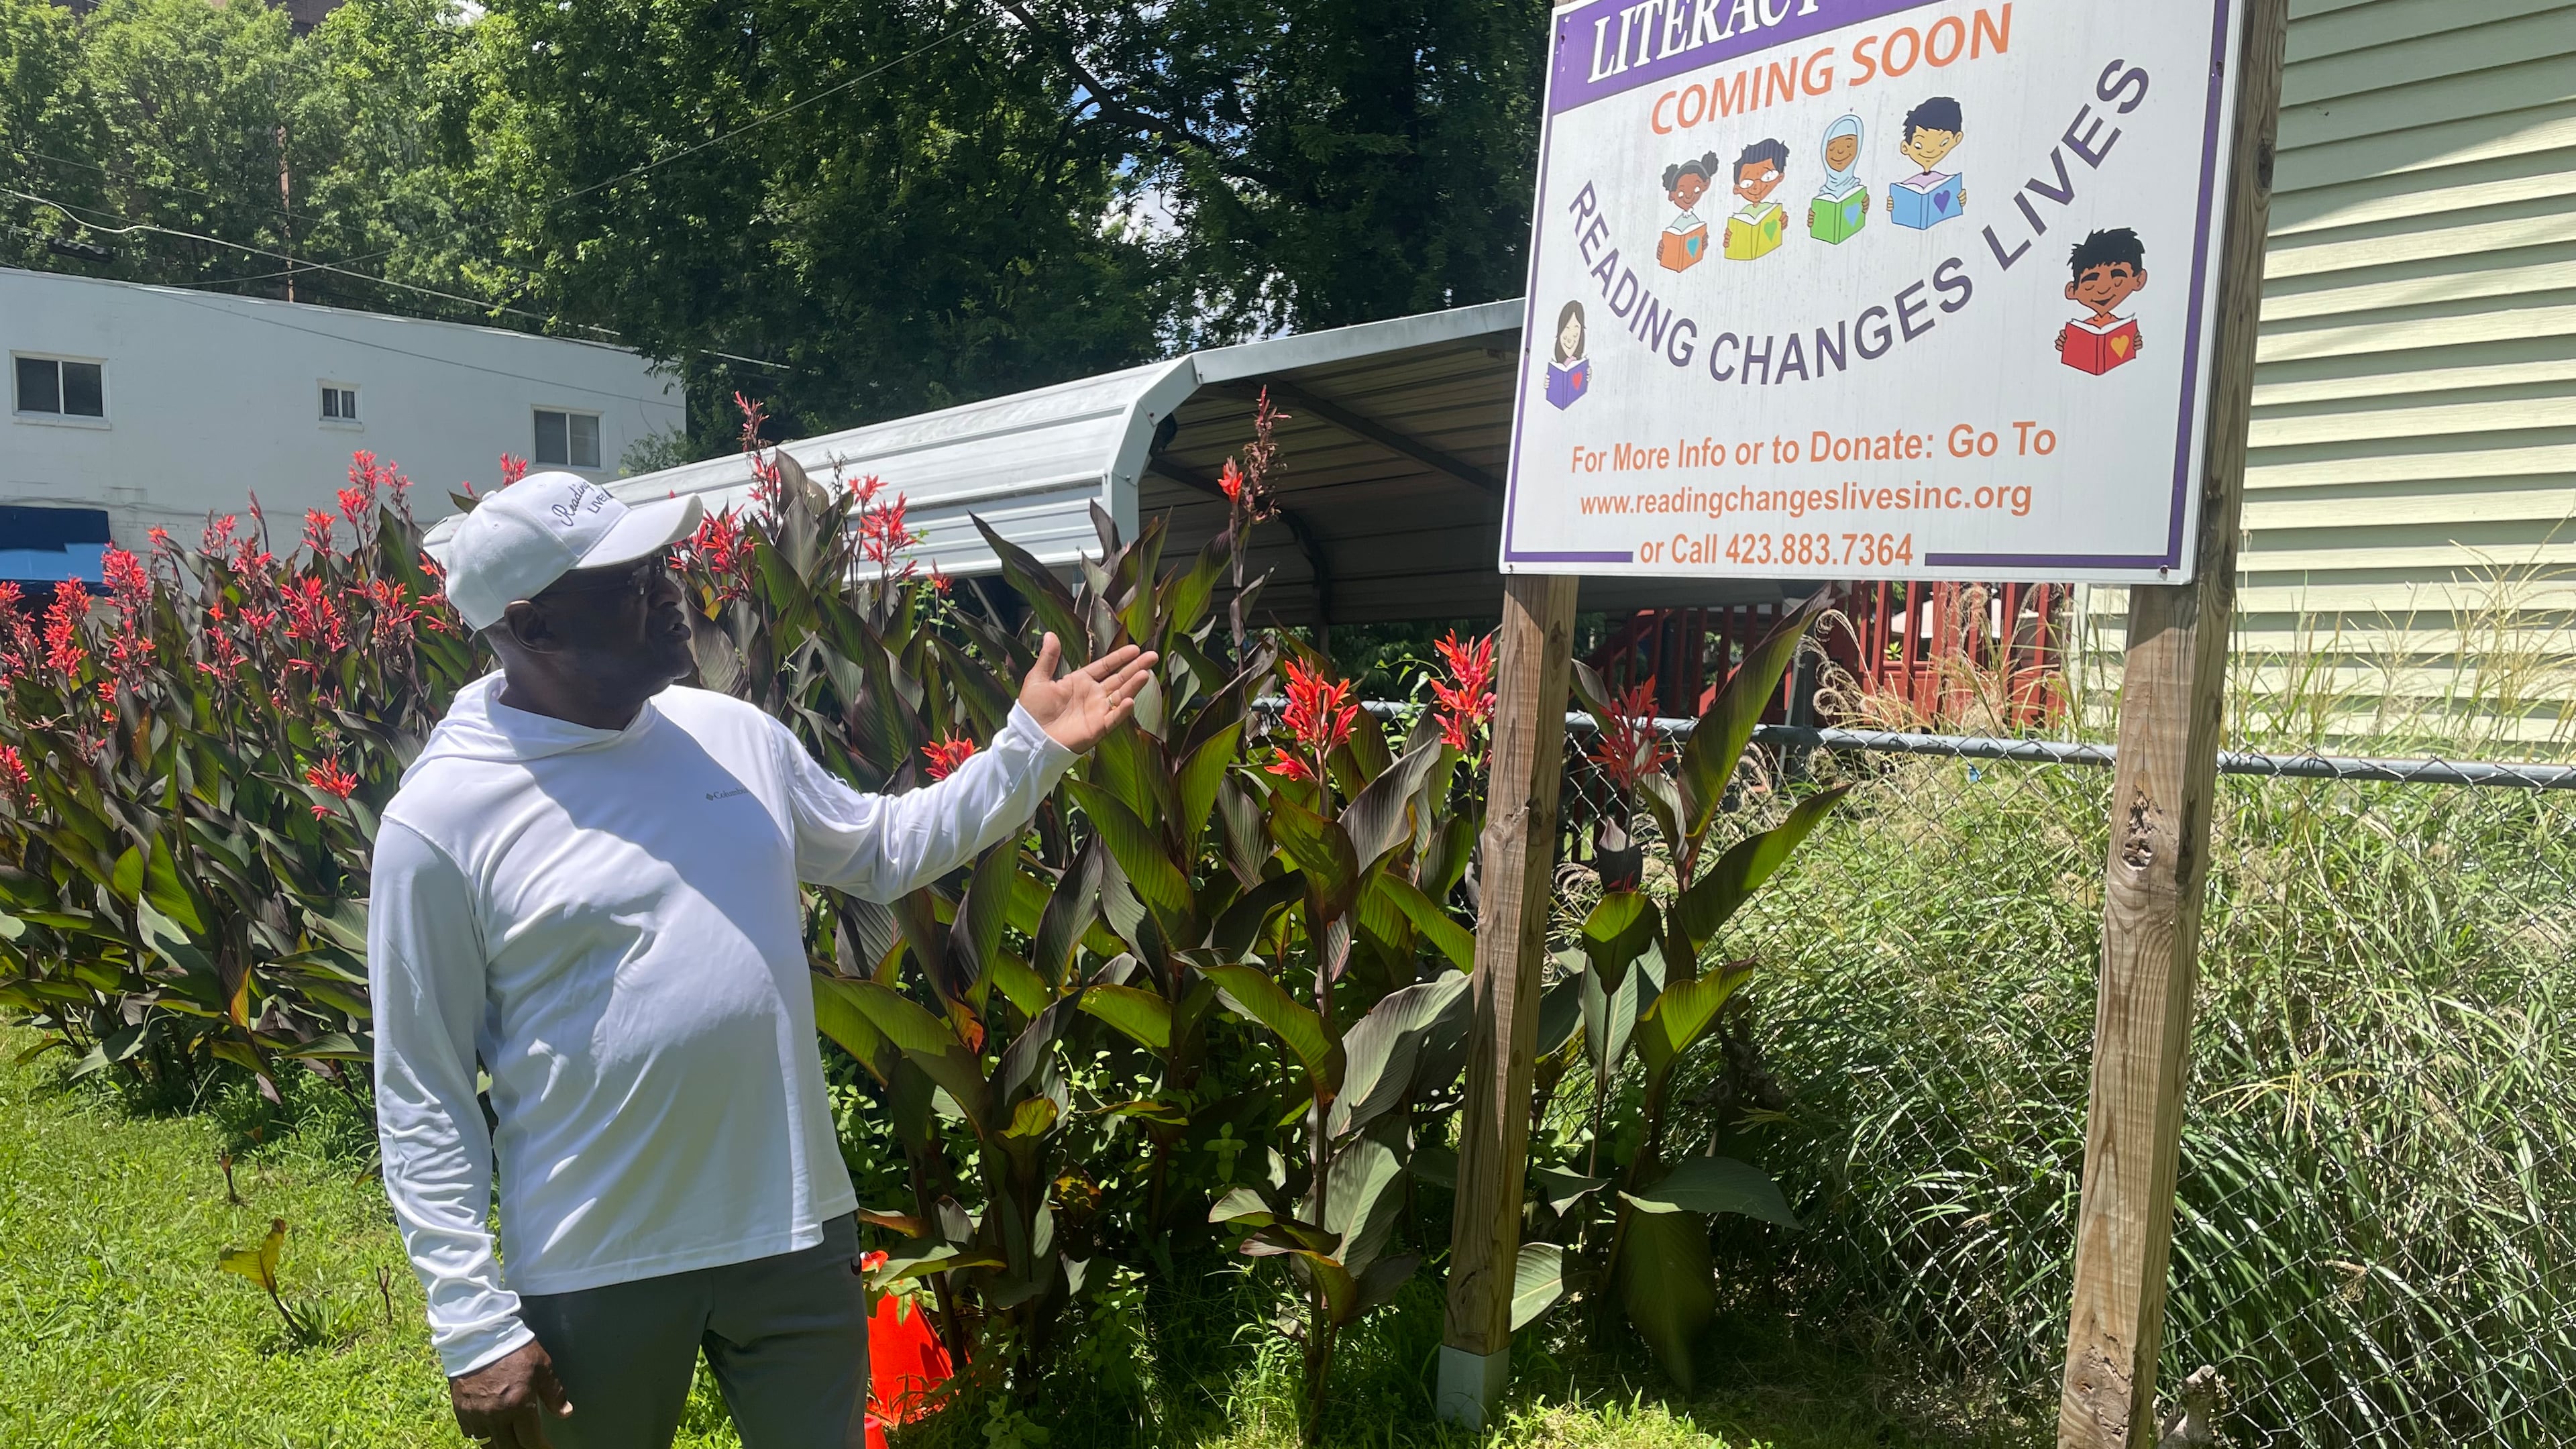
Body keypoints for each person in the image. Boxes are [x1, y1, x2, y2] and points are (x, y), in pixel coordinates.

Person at [368, 472, 1155, 1449]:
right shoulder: (442, 819)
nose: (671, 593)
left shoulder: (731, 735)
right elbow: (422, 1089)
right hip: (596, 1264)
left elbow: (882, 850)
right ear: (533, 629)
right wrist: (470, 1323)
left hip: (792, 1231)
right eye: (626, 582)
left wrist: (1029, 748)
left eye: (662, 565)